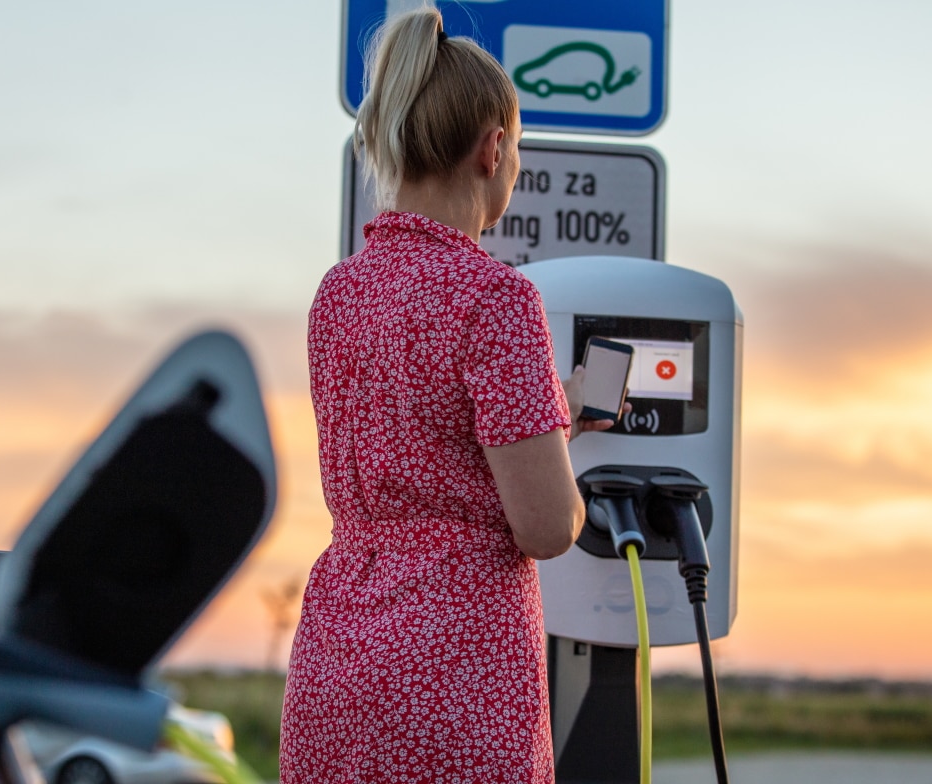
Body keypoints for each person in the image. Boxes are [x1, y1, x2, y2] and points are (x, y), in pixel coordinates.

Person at [279, 5, 621, 782]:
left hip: (336, 660)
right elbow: (544, 526)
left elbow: (422, 447)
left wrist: (550, 411)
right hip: (455, 671)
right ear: (492, 148)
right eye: (519, 149)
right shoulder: (494, 298)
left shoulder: (338, 293)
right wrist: (568, 492)